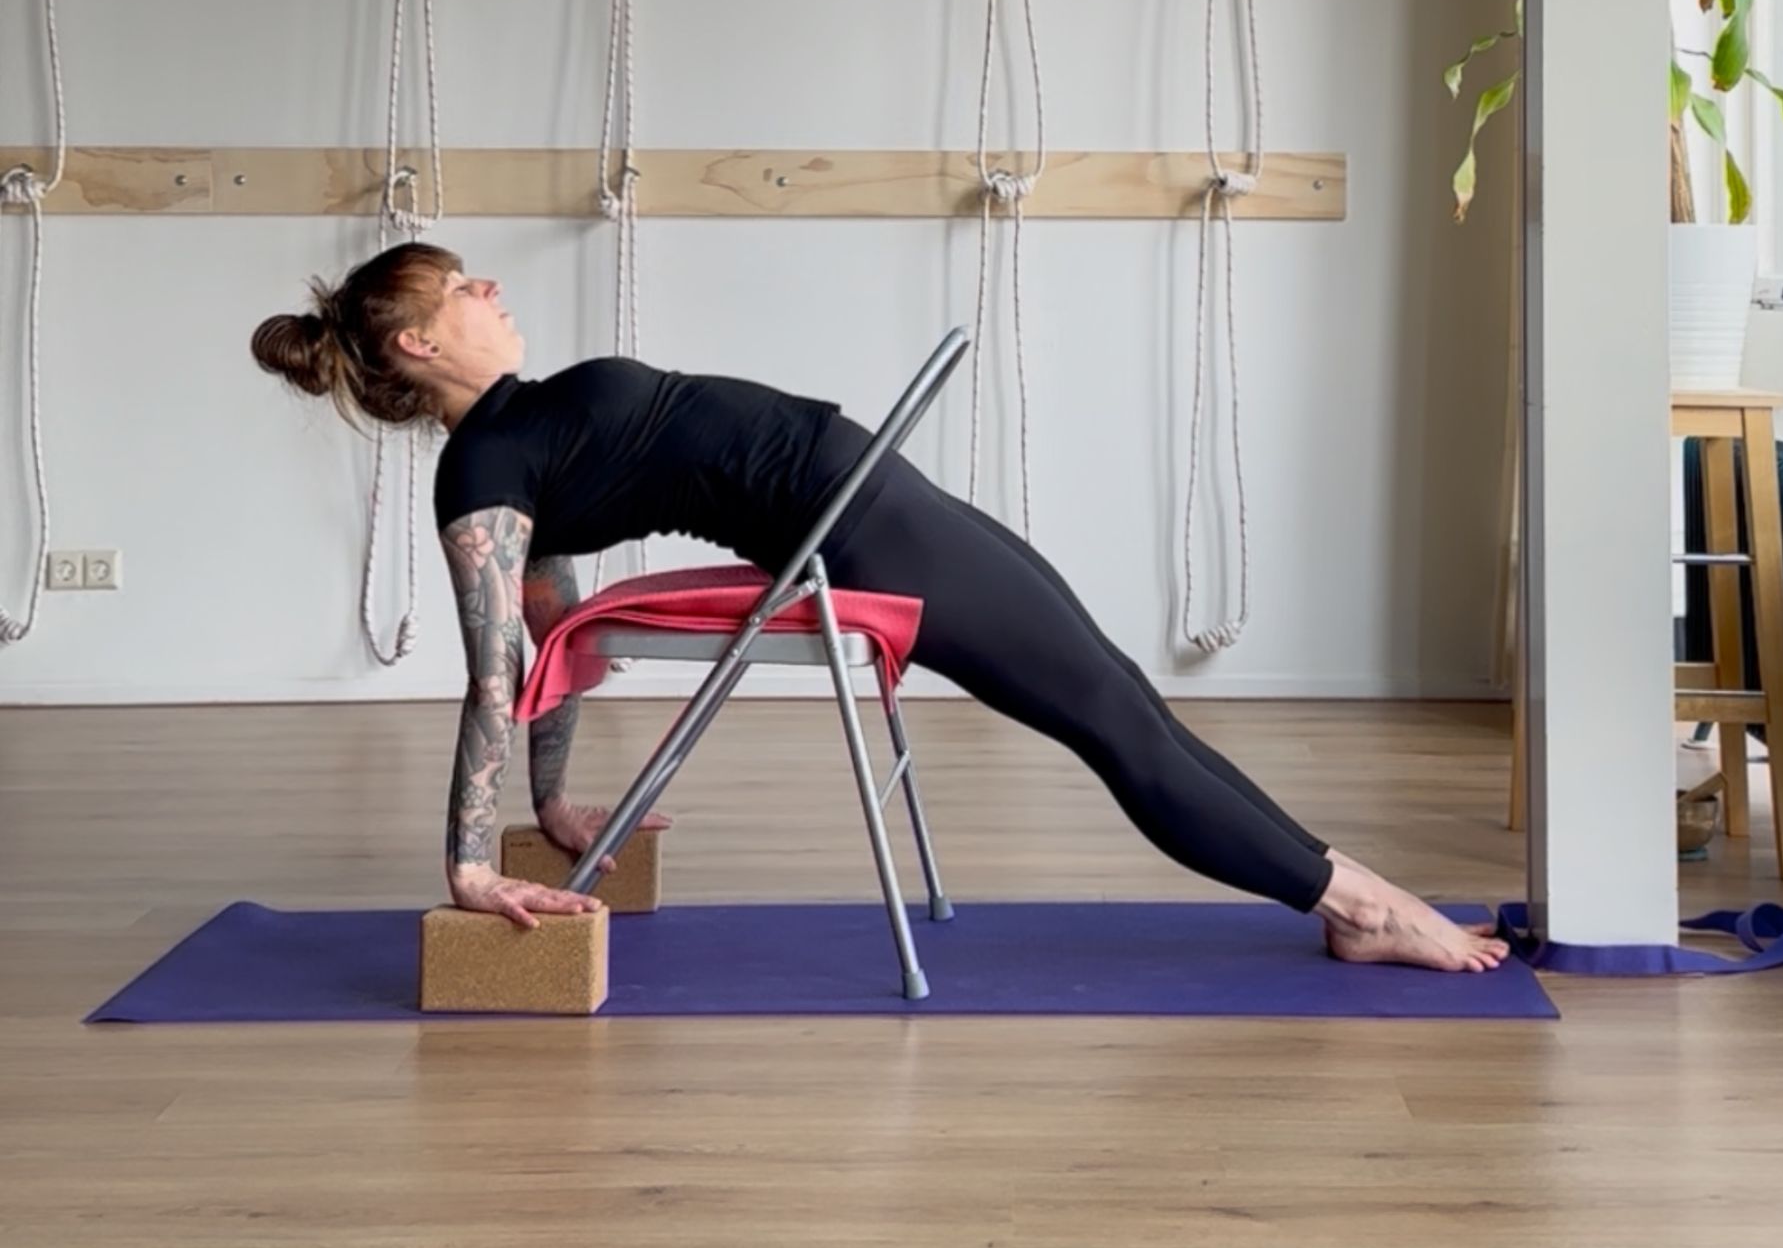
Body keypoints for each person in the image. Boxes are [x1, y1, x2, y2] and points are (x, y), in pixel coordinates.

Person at [252, 243, 1508, 973]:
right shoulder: (481, 475)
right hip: (863, 532)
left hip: (874, 496)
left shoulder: (516, 430)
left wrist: (550, 801)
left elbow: (550, 632)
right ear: (416, 343)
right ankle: (1360, 906)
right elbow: (499, 666)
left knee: (1122, 696)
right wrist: (472, 868)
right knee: (1112, 727)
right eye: (461, 286)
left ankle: (1345, 895)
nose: (489, 289)